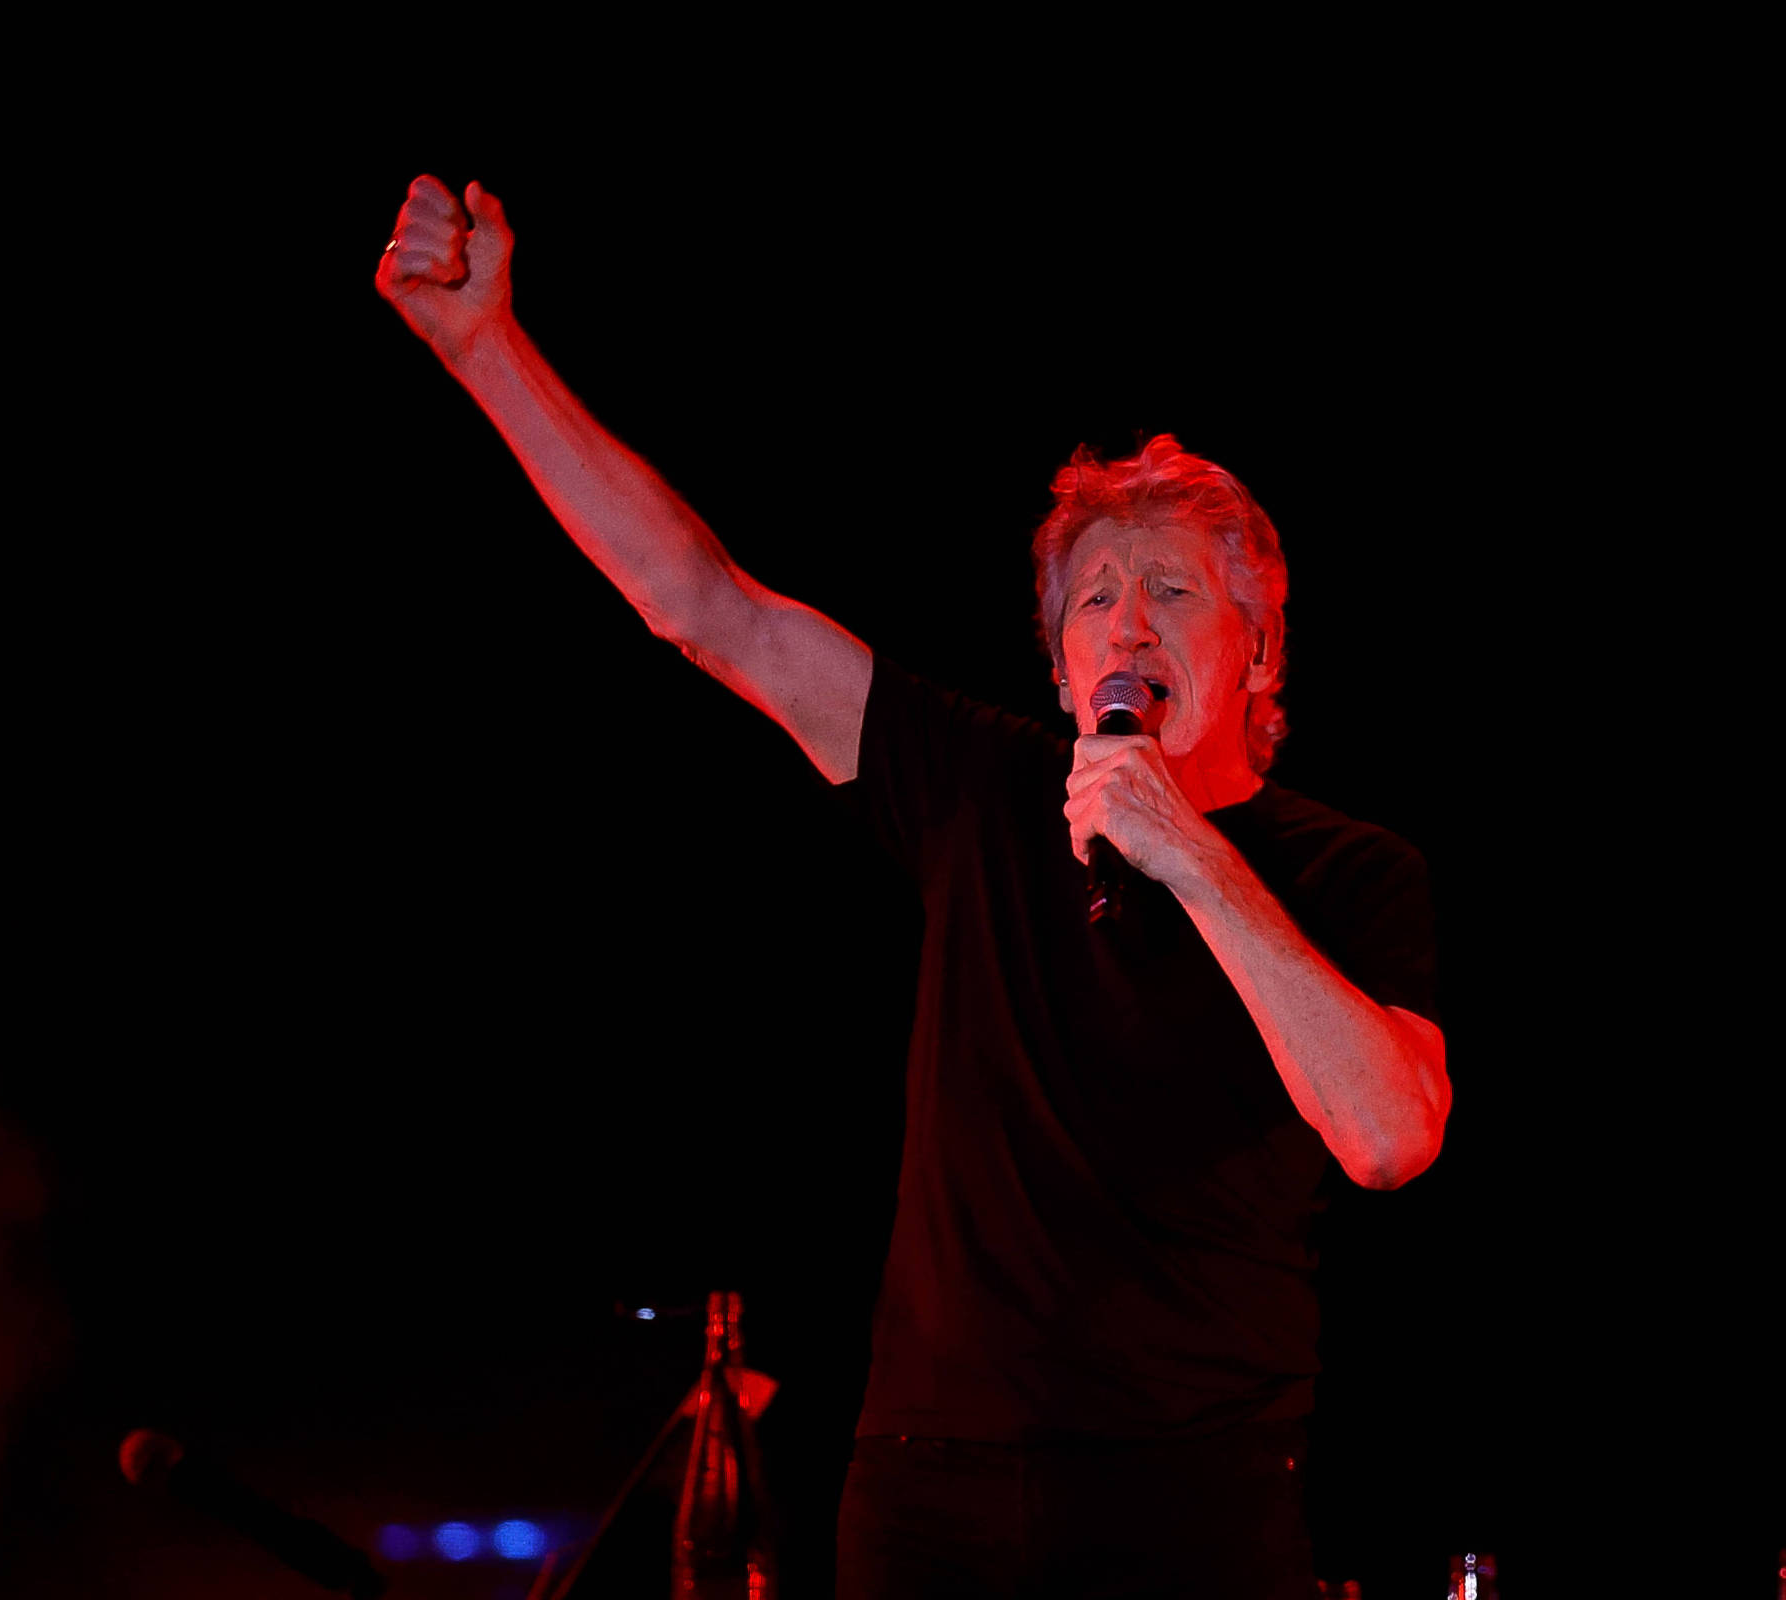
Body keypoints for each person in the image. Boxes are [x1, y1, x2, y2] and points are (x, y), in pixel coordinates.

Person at [376, 174, 1451, 1600]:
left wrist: (1191, 855)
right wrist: (484, 351)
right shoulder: (982, 786)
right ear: (1061, 670)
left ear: (1259, 656)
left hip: (1192, 1505)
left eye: (1174, 591)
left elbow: (1386, 1136)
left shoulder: (1346, 869)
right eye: (1093, 598)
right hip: (926, 1496)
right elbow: (704, 607)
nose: (1126, 619)